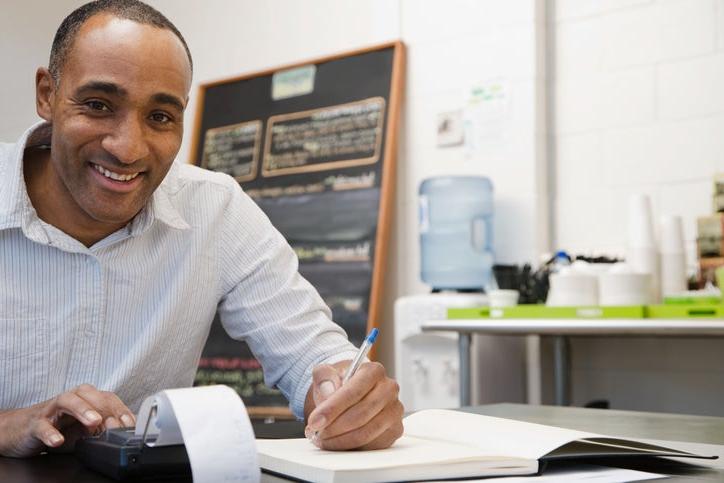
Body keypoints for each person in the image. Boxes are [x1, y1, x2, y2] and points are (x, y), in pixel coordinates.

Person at [0, 0, 403, 458]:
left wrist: (347, 398)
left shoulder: (215, 208)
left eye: (160, 117)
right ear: (46, 94)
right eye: (97, 105)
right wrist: (8, 425)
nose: (128, 148)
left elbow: (308, 351)